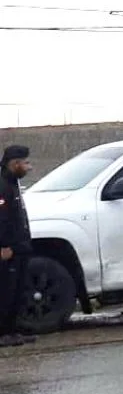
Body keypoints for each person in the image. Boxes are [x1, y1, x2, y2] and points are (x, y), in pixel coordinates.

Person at [0, 145, 34, 348]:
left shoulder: (13, 184)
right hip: (8, 249)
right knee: (6, 291)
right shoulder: (3, 186)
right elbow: (1, 220)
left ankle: (13, 330)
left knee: (17, 290)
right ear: (15, 164)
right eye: (25, 163)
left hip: (18, 247)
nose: (28, 167)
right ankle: (4, 332)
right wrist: (3, 245)